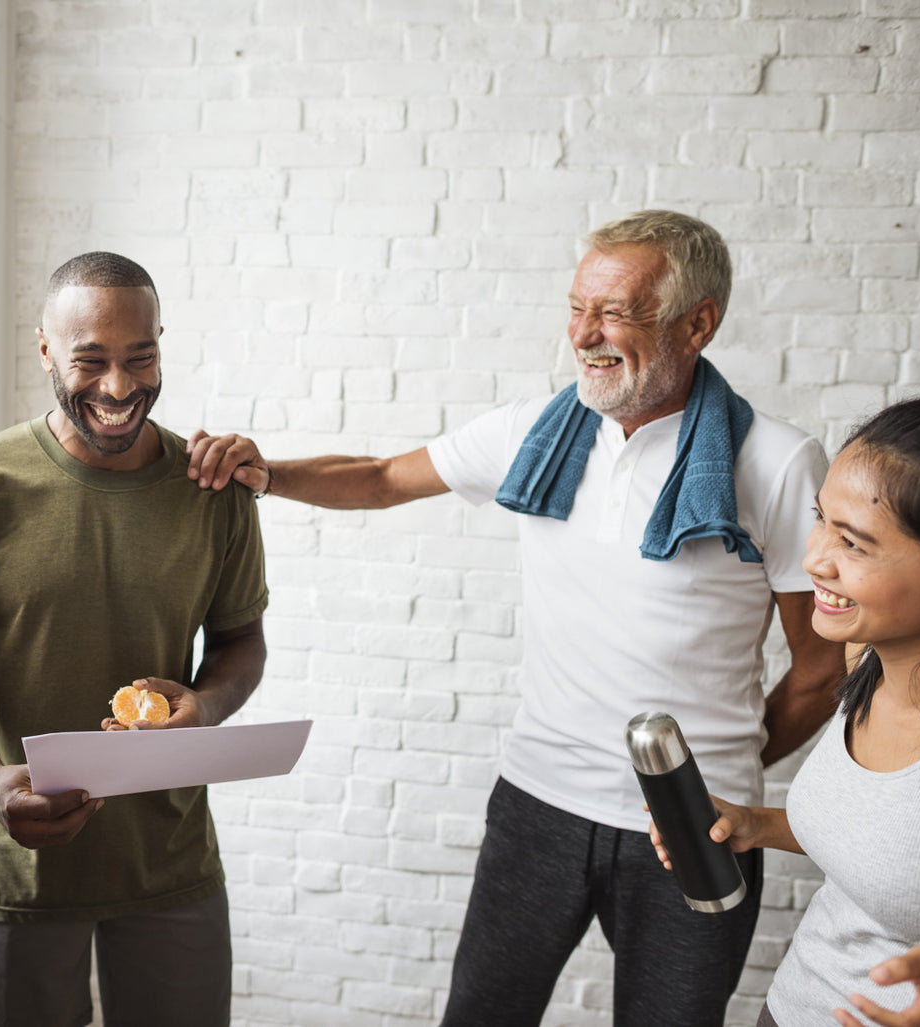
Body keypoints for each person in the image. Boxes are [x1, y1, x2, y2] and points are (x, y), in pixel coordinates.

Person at [187, 210, 849, 1026]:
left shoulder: (776, 462)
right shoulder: (534, 431)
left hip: (697, 827)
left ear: (697, 322)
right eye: (577, 307)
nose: (585, 334)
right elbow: (382, 476)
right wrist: (266, 473)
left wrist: (711, 775)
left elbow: (820, 670)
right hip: (536, 804)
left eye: (615, 312)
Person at [0, 251, 270, 1027]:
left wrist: (201, 704)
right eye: (89, 360)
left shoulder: (212, 490)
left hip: (171, 866)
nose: (119, 386)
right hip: (21, 875)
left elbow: (242, 643)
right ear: (43, 350)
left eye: (141, 357)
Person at [652, 392, 920, 1027]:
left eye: (853, 544)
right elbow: (901, 845)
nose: (813, 559)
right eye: (821, 518)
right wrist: (757, 825)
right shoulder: (863, 659)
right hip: (791, 1007)